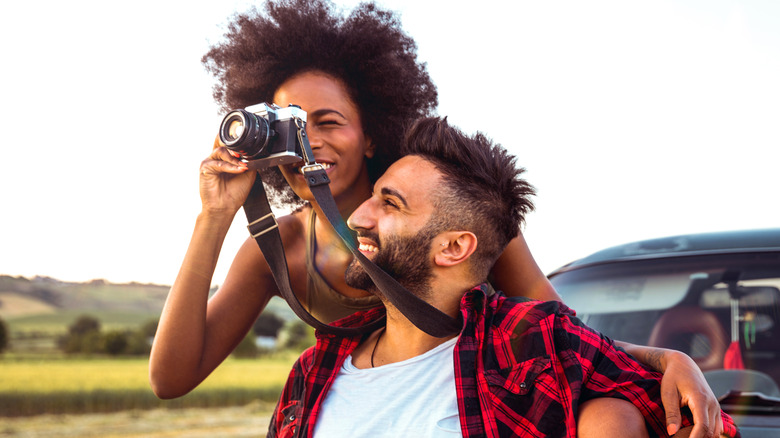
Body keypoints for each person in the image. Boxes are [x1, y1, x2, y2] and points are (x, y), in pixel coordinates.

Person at [149, 1, 724, 436]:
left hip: (475, 393)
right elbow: (171, 379)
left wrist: (664, 359)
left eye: (326, 122)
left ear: (372, 129)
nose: (309, 143)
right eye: (288, 126)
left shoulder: (454, 213)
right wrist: (214, 218)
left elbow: (558, 332)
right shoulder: (281, 251)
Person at [268, 117, 739, 438]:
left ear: (454, 248)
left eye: (390, 203)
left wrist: (666, 361)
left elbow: (693, 424)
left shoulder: (525, 350)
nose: (358, 217)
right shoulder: (312, 370)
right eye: (373, 196)